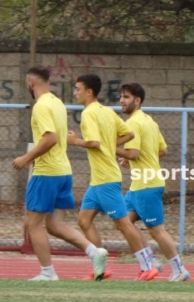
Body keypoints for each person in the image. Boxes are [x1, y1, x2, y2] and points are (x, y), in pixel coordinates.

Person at [12, 66, 108, 281]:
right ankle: (95, 252)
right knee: (54, 225)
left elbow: (50, 138)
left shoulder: (41, 106)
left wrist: (26, 158)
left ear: (30, 82)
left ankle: (48, 273)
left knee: (32, 223)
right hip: (63, 172)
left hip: (47, 173)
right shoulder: (57, 103)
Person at [67, 74, 160, 281]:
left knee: (124, 223)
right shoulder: (107, 111)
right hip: (98, 181)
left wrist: (75, 141)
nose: (75, 93)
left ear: (89, 92)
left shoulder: (89, 113)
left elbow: (93, 143)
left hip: (106, 179)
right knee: (84, 220)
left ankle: (148, 266)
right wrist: (109, 143)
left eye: (77, 89)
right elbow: (129, 134)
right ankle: (100, 268)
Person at [116, 82, 190, 282]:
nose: (122, 100)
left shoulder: (133, 123)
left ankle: (179, 270)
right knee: (123, 222)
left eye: (126, 97)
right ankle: (150, 262)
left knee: (156, 230)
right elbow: (162, 150)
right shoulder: (149, 121)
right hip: (138, 185)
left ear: (138, 100)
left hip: (146, 185)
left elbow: (133, 152)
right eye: (121, 96)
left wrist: (108, 147)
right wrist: (134, 159)